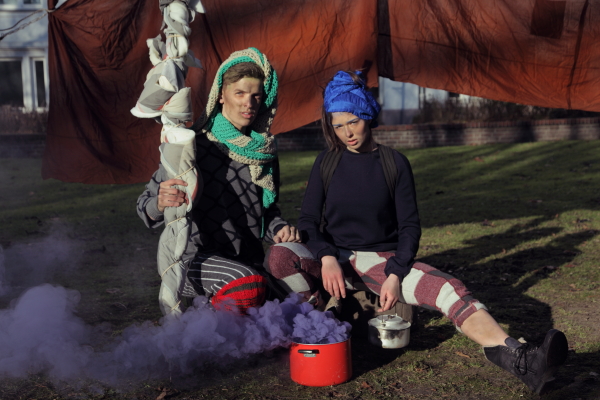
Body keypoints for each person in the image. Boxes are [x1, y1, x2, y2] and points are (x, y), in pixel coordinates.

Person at [266, 70, 568, 395]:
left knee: (449, 289)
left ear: (367, 114)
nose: (346, 133)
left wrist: (395, 274)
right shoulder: (326, 162)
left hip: (380, 260)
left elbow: (410, 227)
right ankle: (320, 315)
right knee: (280, 256)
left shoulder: (394, 163)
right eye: (337, 125)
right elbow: (309, 221)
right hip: (333, 258)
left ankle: (520, 358)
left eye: (352, 121)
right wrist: (326, 258)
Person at [137, 48, 300, 315]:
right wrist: (160, 202)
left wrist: (280, 230)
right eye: (240, 93)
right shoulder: (191, 146)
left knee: (302, 269)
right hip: (195, 261)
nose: (249, 103)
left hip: (249, 259)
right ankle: (211, 320)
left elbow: (267, 214)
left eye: (256, 95)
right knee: (246, 285)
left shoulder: (263, 152)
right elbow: (144, 208)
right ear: (221, 96)